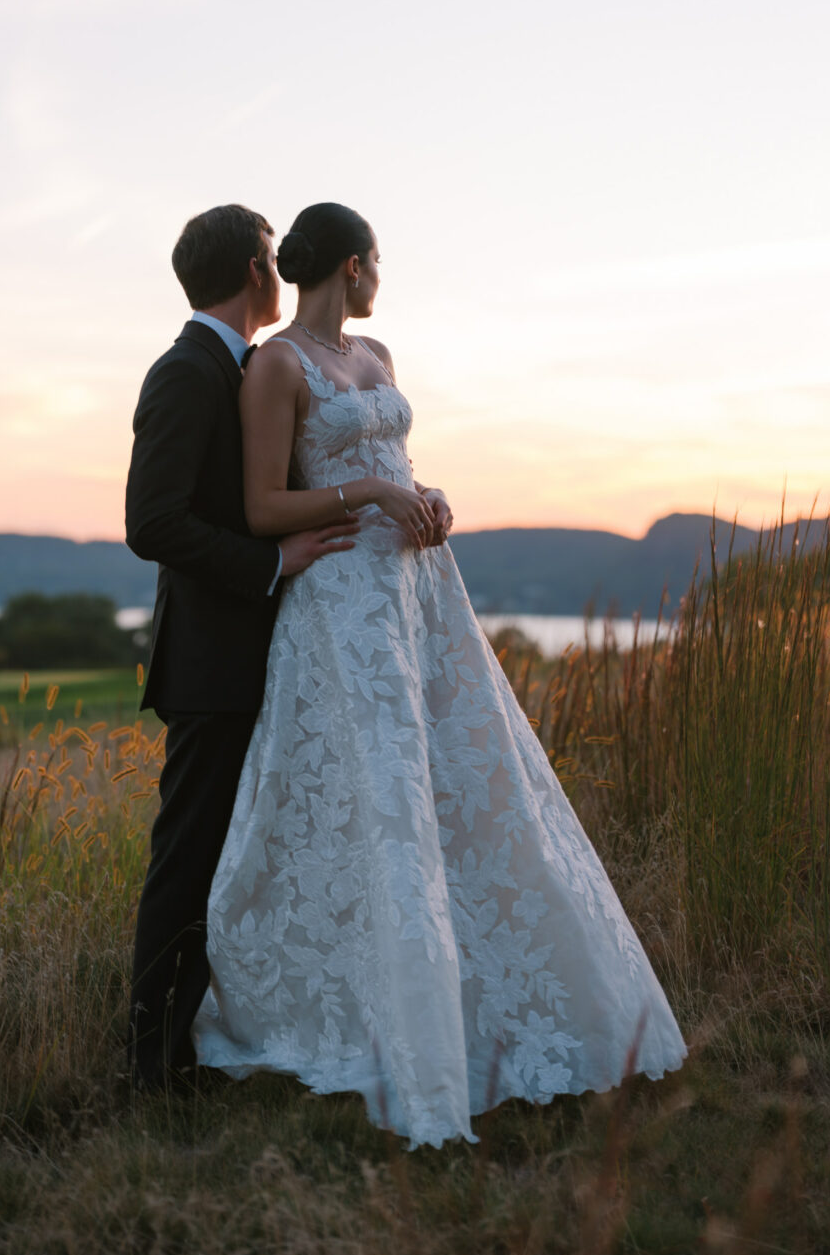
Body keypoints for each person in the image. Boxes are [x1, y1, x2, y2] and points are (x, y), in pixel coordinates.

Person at [194, 202, 686, 1146]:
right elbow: (261, 505)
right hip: (341, 608)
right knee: (375, 804)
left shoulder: (377, 361)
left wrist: (424, 494)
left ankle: (496, 1005)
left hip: (422, 602)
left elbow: (397, 459)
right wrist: (374, 492)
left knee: (467, 792)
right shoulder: (276, 365)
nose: (382, 277)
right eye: (378, 261)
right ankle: (377, 1018)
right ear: (353, 263)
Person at [125, 203, 358, 1091]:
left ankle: (213, 1037)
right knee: (187, 860)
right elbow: (152, 522)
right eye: (270, 256)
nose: (279, 268)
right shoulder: (185, 373)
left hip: (270, 654)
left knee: (243, 858)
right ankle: (151, 1063)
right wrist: (267, 561)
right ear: (256, 272)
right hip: (212, 662)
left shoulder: (249, 369)